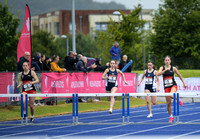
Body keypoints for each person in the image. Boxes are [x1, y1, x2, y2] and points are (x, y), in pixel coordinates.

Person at [157, 55, 187, 123]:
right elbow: (158, 74)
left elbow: (179, 75)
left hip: (173, 85)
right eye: (166, 60)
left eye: (168, 60)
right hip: (166, 87)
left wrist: (184, 83)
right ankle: (171, 116)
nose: (167, 61)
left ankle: (178, 98)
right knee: (168, 104)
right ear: (164, 61)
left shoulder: (173, 68)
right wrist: (164, 71)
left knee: (171, 95)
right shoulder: (162, 68)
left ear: (170, 61)